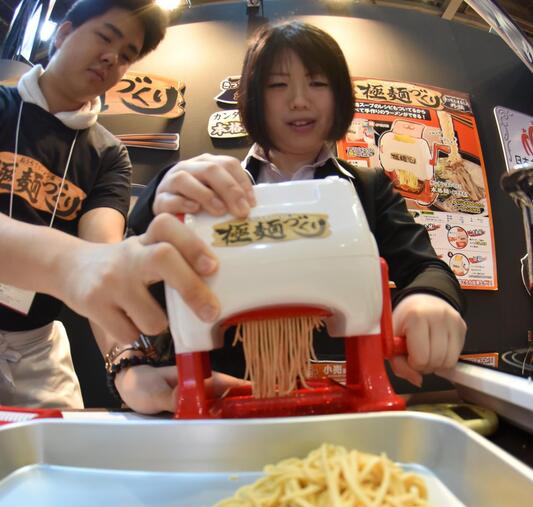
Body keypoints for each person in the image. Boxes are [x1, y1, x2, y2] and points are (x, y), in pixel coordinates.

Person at [124, 20, 466, 413]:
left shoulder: (366, 187)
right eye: (277, 85)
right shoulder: (209, 186)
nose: (299, 100)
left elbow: (425, 266)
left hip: (337, 396)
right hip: (225, 393)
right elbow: (134, 261)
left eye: (318, 83)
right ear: (253, 97)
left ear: (339, 97)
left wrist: (428, 298)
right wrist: (159, 196)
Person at [0, 0, 219, 409]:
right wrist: (70, 263)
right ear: (63, 34)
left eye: (126, 57)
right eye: (105, 38)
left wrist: (130, 368)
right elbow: (86, 265)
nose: (111, 59)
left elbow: (103, 259)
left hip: (35, 345)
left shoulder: (108, 154)